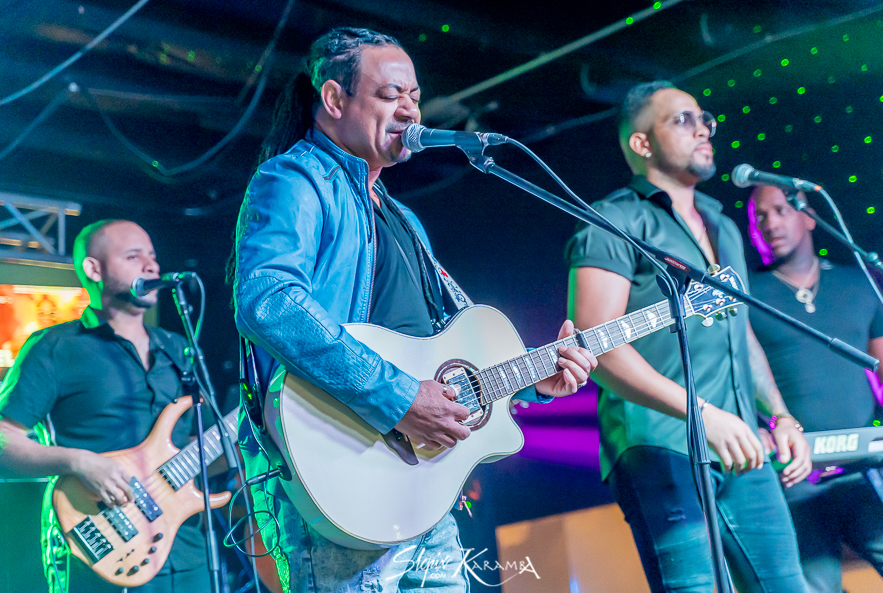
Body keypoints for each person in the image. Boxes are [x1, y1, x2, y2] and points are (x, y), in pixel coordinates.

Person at [231, 27, 596, 593]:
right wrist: (399, 397)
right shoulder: (294, 178)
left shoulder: (403, 218)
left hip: (418, 483)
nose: (409, 109)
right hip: (342, 472)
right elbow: (269, 300)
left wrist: (532, 374)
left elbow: (441, 346)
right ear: (334, 99)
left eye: (415, 96)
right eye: (390, 94)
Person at [564, 80, 813, 592]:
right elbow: (596, 343)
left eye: (704, 119)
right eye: (682, 120)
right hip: (660, 447)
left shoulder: (724, 225)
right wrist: (703, 416)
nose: (703, 129)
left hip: (741, 443)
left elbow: (740, 333)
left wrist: (779, 415)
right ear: (641, 143)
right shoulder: (614, 220)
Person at [0, 220, 211, 593]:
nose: (151, 266)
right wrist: (79, 462)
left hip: (187, 553)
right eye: (133, 256)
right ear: (93, 269)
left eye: (152, 256)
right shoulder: (55, 347)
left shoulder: (178, 349)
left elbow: (203, 443)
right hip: (98, 548)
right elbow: (4, 438)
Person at [748, 184, 883, 592]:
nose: (770, 223)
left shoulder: (857, 283)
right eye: (759, 217)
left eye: (780, 210)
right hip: (793, 477)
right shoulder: (744, 295)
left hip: (864, 469)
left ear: (809, 217)